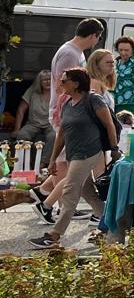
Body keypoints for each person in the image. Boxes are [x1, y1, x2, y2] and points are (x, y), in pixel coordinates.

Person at [30, 69, 118, 250]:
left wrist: (114, 148)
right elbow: (61, 134)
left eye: (64, 81)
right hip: (73, 155)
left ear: (76, 84)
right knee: (89, 194)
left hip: (90, 153)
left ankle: (53, 236)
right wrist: (53, 159)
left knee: (70, 193)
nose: (60, 84)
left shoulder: (93, 100)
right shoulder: (68, 104)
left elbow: (109, 125)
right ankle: (110, 225)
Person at [49, 18, 103, 131]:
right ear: (93, 36)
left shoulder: (77, 51)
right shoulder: (69, 54)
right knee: (70, 148)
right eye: (99, 37)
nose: (98, 40)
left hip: (72, 112)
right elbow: (61, 86)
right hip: (66, 113)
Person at [14, 69, 56, 160]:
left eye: (49, 79)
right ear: (39, 82)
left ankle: (44, 162)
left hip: (50, 123)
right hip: (33, 123)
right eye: (44, 80)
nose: (47, 82)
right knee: (22, 135)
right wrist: (17, 129)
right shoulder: (32, 91)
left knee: (54, 136)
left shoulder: (57, 92)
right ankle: (22, 163)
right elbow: (21, 110)